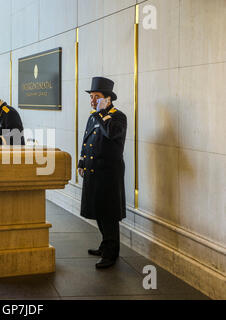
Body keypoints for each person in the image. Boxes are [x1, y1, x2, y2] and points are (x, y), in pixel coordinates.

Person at [78, 77, 127, 269]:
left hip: (108, 173)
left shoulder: (117, 117)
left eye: (96, 97)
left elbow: (112, 133)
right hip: (93, 171)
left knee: (109, 214)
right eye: (91, 96)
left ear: (108, 99)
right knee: (98, 210)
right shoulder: (93, 116)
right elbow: (86, 139)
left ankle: (111, 253)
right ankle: (104, 245)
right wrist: (82, 161)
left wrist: (103, 113)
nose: (92, 100)